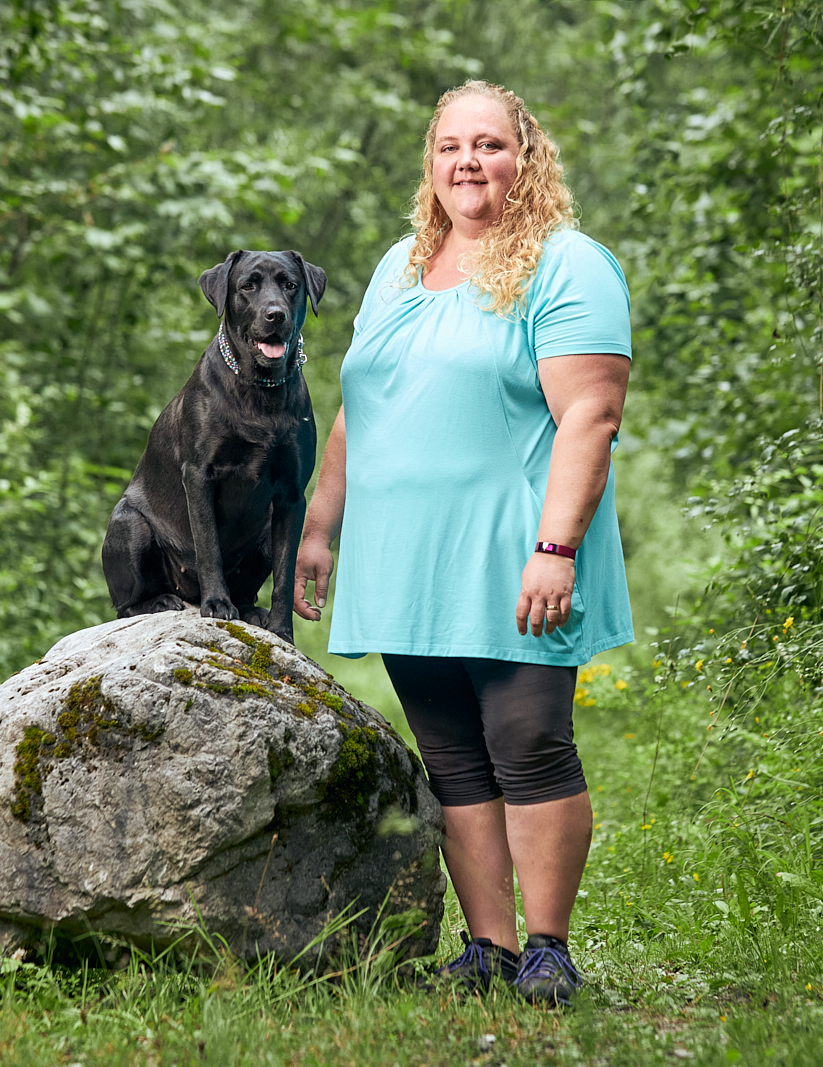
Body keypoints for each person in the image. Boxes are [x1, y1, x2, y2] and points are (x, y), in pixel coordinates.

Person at [292, 80, 632, 1007]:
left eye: (489, 144)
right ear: (431, 162)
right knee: (450, 755)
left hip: (515, 552)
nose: (468, 162)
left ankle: (549, 945)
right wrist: (320, 527)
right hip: (406, 559)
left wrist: (555, 547)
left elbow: (590, 417)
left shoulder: (567, 265)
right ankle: (489, 946)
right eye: (451, 146)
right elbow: (364, 408)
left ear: (527, 158)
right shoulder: (401, 262)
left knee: (527, 742)